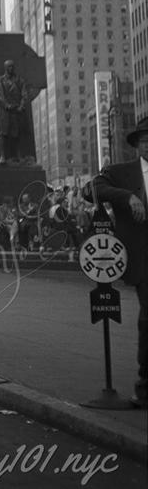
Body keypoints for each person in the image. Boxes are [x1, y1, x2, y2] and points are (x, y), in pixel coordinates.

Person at [85, 116, 148, 408]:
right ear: (137, 145)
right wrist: (126, 198)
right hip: (143, 257)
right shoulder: (122, 173)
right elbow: (95, 188)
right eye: (144, 139)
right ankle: (145, 385)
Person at [0, 60, 35, 165]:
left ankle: (19, 156)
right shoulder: (0, 80)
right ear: (5, 68)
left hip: (17, 111)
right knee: (3, 134)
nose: (11, 68)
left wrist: (21, 106)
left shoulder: (19, 80)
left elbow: (24, 94)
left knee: (17, 134)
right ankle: (2, 156)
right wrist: (6, 105)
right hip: (5, 111)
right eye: (9, 67)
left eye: (12, 66)